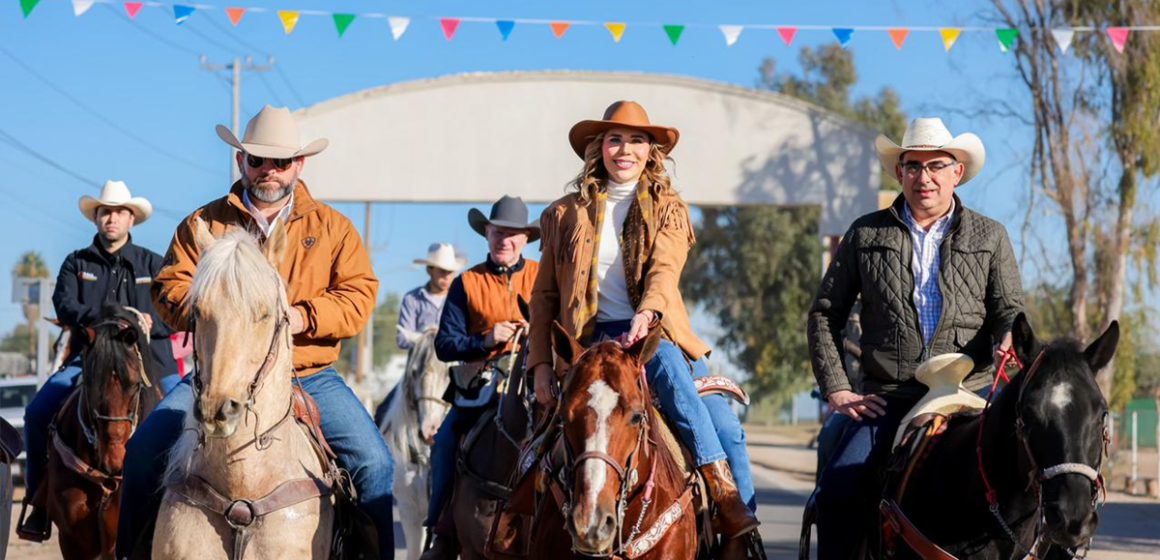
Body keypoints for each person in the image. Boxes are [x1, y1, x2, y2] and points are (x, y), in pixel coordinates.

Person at [115, 105, 394, 557]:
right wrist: (213, 306)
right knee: (143, 451)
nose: (269, 171)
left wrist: (302, 316)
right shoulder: (203, 224)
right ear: (241, 161)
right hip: (219, 370)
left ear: (298, 166)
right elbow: (169, 286)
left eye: (280, 162)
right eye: (258, 160)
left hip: (308, 373)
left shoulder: (333, 230)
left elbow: (359, 296)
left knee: (375, 463)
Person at [527, 100, 760, 555]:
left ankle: (731, 508)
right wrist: (539, 363)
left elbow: (665, 269)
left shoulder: (669, 208)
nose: (624, 149)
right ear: (599, 148)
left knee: (711, 415)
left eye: (636, 140)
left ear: (651, 152)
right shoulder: (563, 213)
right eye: (615, 139)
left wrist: (648, 313)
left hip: (650, 334)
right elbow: (544, 297)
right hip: (585, 340)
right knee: (537, 431)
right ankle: (513, 521)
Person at [806, 117, 1024, 559]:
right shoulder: (865, 234)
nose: (924, 177)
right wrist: (839, 389)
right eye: (913, 166)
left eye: (936, 166)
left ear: (956, 171)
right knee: (838, 491)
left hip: (971, 395)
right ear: (899, 172)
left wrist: (1007, 336)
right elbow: (824, 314)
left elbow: (1010, 310)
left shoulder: (991, 235)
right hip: (889, 395)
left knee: (1036, 483)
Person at [16, 180, 175, 542]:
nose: (111, 218)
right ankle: (39, 501)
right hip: (88, 362)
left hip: (149, 364)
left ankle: (184, 502)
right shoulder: (77, 263)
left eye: (119, 212)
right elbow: (65, 304)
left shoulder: (154, 264)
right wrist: (109, 316)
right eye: (105, 212)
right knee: (37, 413)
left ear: (131, 219)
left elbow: (175, 311)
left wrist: (148, 322)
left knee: (183, 418)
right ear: (96, 218)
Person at [421, 195, 540, 560]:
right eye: (497, 232)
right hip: (480, 386)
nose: (504, 240)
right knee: (444, 443)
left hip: (536, 381)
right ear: (486, 234)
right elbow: (444, 345)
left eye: (512, 234)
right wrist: (485, 340)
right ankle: (441, 531)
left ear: (524, 240)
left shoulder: (541, 276)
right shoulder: (466, 283)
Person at [397, 243, 464, 350]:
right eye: (442, 271)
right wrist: (425, 335)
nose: (447, 276)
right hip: (420, 362)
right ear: (429, 270)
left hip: (452, 362)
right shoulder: (412, 299)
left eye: (450, 272)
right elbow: (402, 340)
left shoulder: (461, 300)